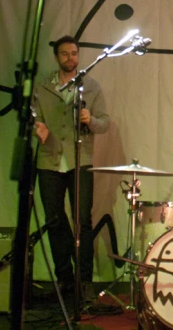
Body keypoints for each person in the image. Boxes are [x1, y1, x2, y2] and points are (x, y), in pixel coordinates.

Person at [33, 35, 110, 302]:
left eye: (74, 53)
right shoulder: (43, 86)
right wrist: (37, 127)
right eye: (65, 54)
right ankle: (64, 277)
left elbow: (105, 123)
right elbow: (34, 115)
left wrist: (91, 121)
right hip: (49, 160)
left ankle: (84, 281)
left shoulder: (91, 86)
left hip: (80, 160)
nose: (71, 58)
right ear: (56, 57)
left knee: (83, 222)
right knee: (54, 220)